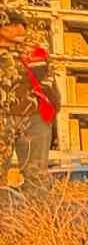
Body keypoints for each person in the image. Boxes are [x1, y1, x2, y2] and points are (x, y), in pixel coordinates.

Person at [0, 12, 59, 186]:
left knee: (37, 177)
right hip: (4, 119)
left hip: (34, 118)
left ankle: (40, 212)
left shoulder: (35, 52)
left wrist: (51, 112)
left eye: (23, 25)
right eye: (14, 25)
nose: (20, 29)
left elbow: (49, 84)